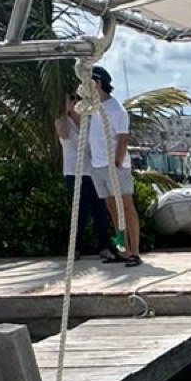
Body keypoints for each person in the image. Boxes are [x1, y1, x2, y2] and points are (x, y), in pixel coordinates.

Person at [56, 84, 118, 260]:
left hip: (91, 171)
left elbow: (91, 139)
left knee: (99, 210)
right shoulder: (61, 121)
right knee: (80, 212)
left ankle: (104, 247)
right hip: (73, 172)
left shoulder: (88, 121)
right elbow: (64, 135)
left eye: (76, 99)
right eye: (71, 99)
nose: (74, 102)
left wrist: (77, 114)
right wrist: (66, 112)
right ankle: (75, 248)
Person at [88, 69, 142, 266]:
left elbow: (123, 137)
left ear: (98, 83)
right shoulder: (92, 108)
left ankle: (134, 251)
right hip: (98, 165)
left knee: (126, 207)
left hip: (115, 166)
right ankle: (123, 250)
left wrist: (117, 163)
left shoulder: (115, 108)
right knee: (112, 208)